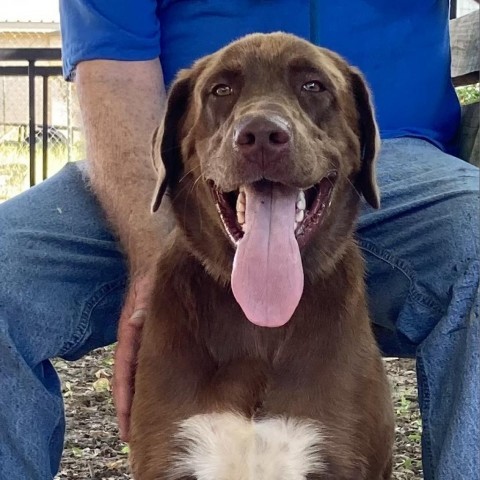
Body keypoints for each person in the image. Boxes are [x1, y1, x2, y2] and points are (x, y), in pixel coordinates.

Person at [0, 1, 478, 479]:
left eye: (312, 87)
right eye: (224, 89)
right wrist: (152, 255)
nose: (264, 128)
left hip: (393, 152)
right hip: (165, 160)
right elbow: (111, 62)